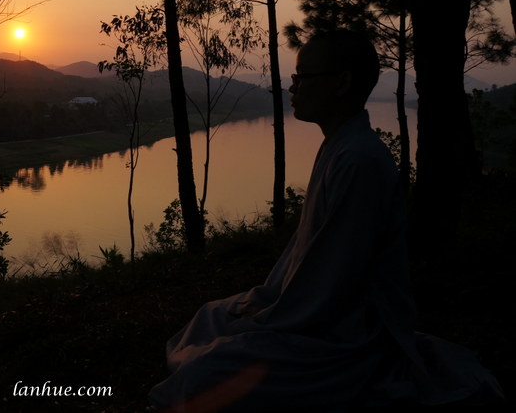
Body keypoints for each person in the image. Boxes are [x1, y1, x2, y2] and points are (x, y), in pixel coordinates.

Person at [148, 31, 503, 412]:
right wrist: (266, 306)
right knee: (211, 317)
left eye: (302, 77)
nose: (293, 86)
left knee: (209, 373)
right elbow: (309, 263)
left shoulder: (359, 160)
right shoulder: (340, 147)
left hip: (348, 334)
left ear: (342, 82)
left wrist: (268, 320)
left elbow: (332, 284)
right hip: (313, 315)